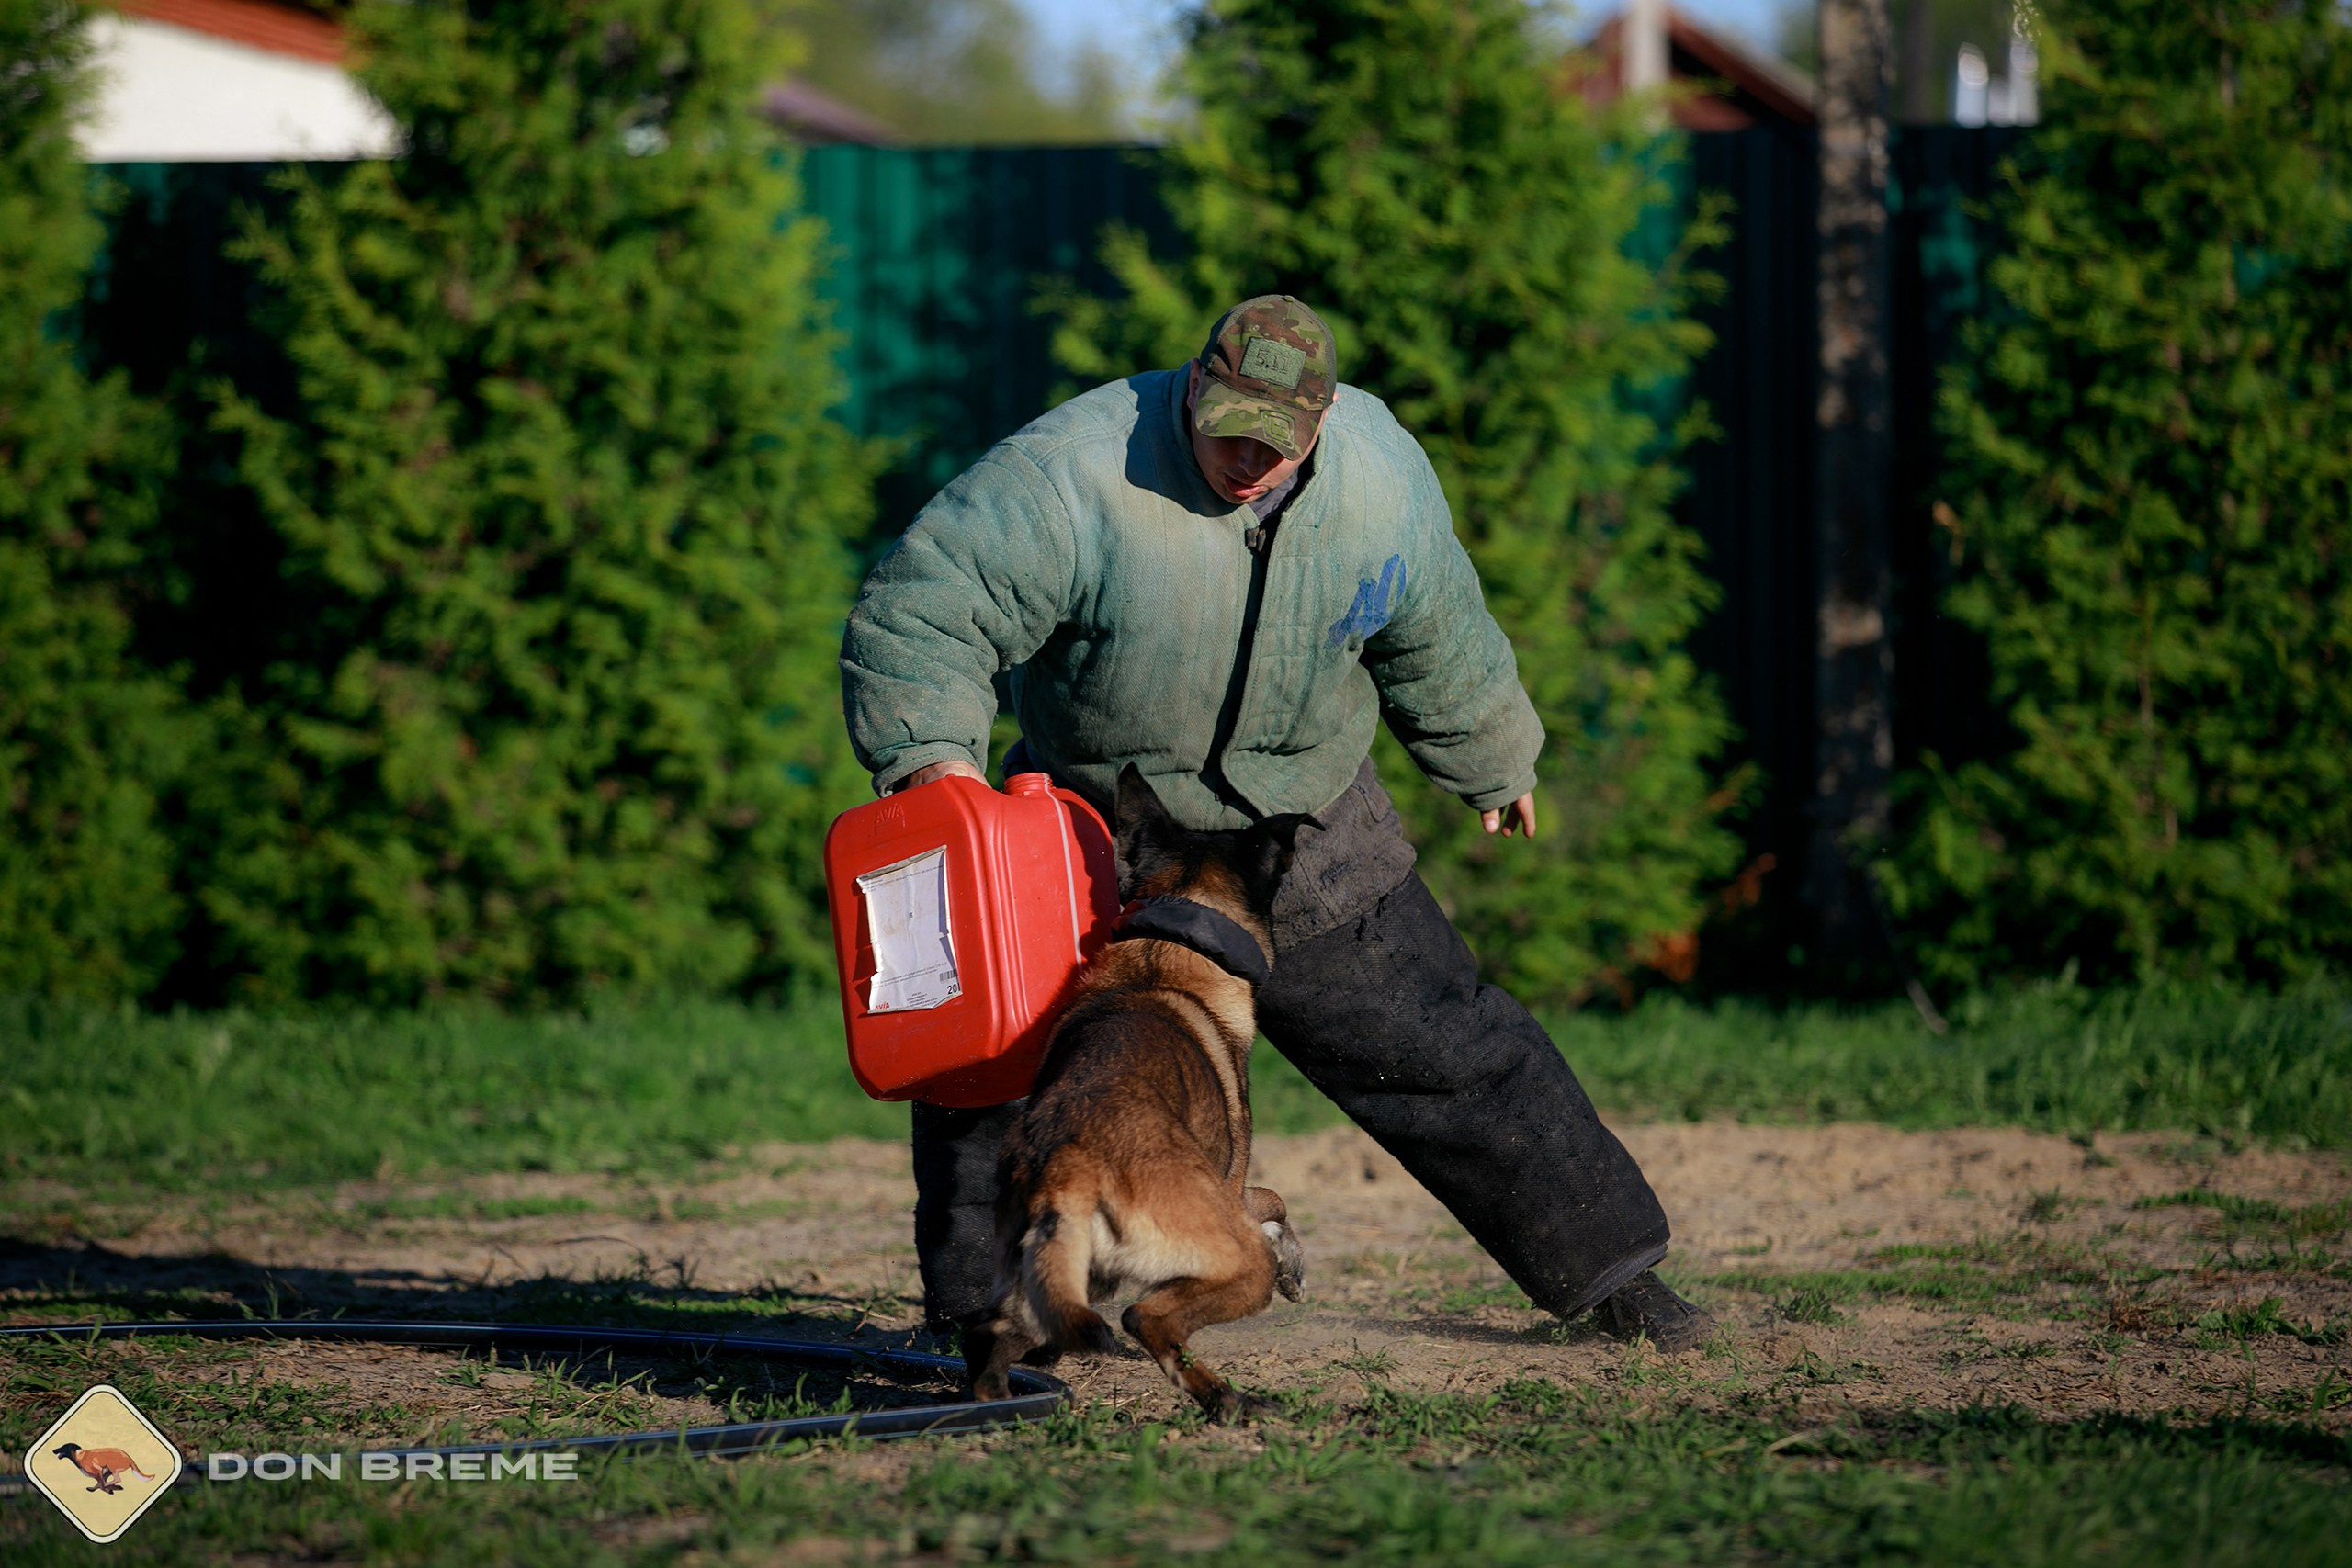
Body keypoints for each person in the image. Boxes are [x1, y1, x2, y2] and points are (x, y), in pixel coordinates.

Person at [841, 295, 1713, 1352]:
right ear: (1192, 389)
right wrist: (935, 772)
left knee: (1442, 1043)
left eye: (1277, 442)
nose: (1249, 461)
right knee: (998, 1063)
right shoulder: (1071, 475)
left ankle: (1616, 1280)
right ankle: (975, 1324)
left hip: (1302, 818)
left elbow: (1436, 624)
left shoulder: (1381, 481)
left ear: (1323, 419)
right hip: (1097, 824)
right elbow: (926, 609)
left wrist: (1490, 756)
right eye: (1229, 432)